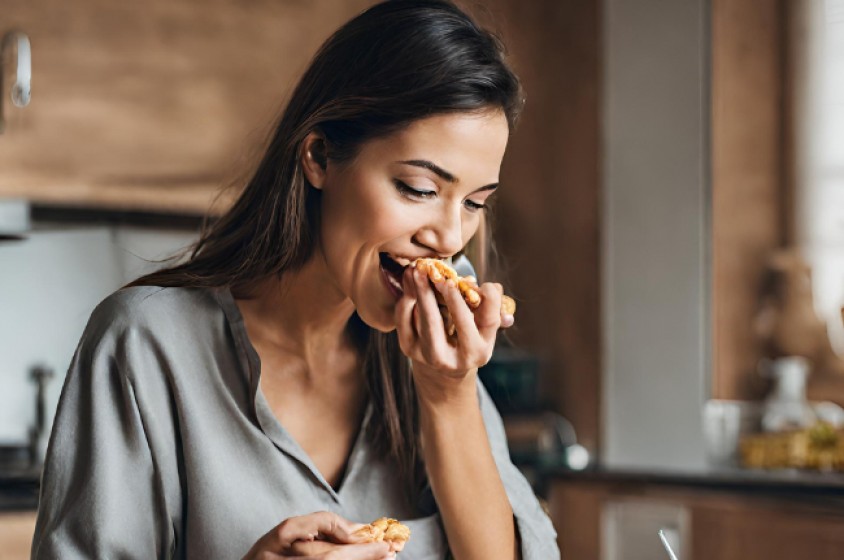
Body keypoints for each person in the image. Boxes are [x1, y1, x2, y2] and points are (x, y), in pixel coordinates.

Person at [31, 1, 560, 558]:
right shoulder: (146, 344)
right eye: (419, 189)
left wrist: (448, 396)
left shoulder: (433, 359)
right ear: (319, 156)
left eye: (475, 202)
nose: (451, 237)